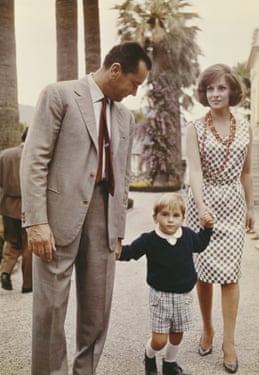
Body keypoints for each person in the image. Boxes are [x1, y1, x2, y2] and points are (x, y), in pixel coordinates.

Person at [20, 42, 152, 375]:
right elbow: (34, 160)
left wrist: (119, 231)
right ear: (116, 70)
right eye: (135, 83)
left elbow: (122, 177)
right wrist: (36, 222)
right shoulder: (59, 95)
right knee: (50, 311)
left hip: (104, 218)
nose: (135, 93)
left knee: (97, 312)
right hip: (56, 217)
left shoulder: (124, 117)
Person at [185, 64, 255, 374]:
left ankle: (229, 342)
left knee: (230, 274)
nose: (215, 94)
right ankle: (207, 328)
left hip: (234, 205)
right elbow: (195, 171)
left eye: (221, 88)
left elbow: (247, 172)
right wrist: (200, 206)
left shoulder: (246, 127)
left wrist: (251, 208)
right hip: (205, 203)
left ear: (232, 91)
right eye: (210, 88)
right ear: (204, 92)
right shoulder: (195, 128)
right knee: (203, 272)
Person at [117, 193, 214, 375]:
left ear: (183, 218)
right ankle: (149, 355)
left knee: (177, 335)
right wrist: (115, 252)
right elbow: (131, 252)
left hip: (184, 296)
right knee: (160, 340)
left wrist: (207, 229)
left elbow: (200, 244)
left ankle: (170, 364)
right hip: (160, 297)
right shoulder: (149, 239)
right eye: (165, 215)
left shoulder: (188, 236)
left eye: (176, 216)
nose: (170, 220)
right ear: (155, 217)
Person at [0, 127, 32, 293]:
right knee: (28, 245)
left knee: (11, 242)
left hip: (8, 205)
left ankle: (5, 272)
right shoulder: (34, 155)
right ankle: (27, 284)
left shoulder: (5, 155)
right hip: (29, 205)